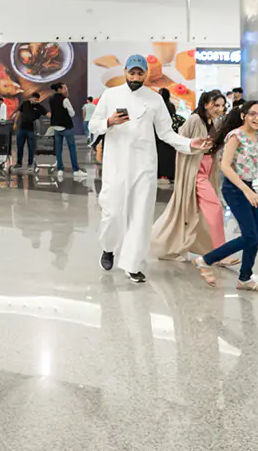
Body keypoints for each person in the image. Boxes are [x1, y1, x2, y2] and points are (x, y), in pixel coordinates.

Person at [88, 55, 207, 283]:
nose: (135, 77)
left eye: (139, 73)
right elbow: (94, 124)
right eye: (131, 73)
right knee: (112, 213)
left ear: (145, 74)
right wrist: (109, 122)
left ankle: (133, 264)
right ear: (125, 72)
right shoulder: (110, 95)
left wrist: (190, 144)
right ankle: (109, 248)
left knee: (141, 215)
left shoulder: (154, 100)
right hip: (115, 165)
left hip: (144, 166)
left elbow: (166, 133)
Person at [194, 100, 258, 293]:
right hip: (235, 189)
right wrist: (246, 191)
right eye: (253, 114)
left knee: (256, 236)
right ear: (243, 116)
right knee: (249, 236)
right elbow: (225, 166)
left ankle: (244, 279)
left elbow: (254, 160)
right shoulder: (235, 135)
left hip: (247, 186)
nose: (257, 118)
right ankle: (205, 260)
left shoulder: (255, 135)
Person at [151, 90, 230, 262]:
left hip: (208, 168)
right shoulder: (195, 120)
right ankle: (220, 252)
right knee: (214, 207)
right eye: (216, 105)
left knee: (194, 211)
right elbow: (180, 142)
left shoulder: (214, 121)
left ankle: (174, 244)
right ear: (206, 103)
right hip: (195, 170)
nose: (219, 109)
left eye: (222, 105)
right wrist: (195, 148)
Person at [47, 82, 86, 178]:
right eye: (65, 88)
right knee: (72, 148)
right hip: (66, 127)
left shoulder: (50, 99)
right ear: (59, 90)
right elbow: (72, 113)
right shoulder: (65, 100)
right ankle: (76, 170)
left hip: (56, 127)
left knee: (58, 150)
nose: (67, 89)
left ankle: (60, 170)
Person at [13, 91, 45, 171]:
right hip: (22, 129)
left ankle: (30, 163)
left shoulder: (38, 106)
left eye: (37, 100)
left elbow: (46, 113)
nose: (36, 101)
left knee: (31, 147)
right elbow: (18, 113)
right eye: (35, 99)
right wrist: (15, 123)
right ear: (31, 98)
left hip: (31, 130)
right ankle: (19, 163)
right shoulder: (25, 103)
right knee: (19, 146)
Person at [155, 87, 179, 184]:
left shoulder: (159, 106)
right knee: (169, 157)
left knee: (160, 156)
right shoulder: (171, 105)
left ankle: (160, 174)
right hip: (170, 135)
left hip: (159, 136)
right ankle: (169, 174)